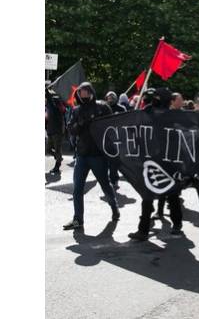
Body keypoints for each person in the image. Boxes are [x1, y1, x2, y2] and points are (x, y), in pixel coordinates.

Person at [128, 88, 185, 241]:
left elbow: (179, 137)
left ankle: (177, 224)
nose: (155, 100)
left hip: (168, 160)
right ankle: (143, 230)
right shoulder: (147, 113)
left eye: (158, 98)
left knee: (172, 194)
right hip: (151, 159)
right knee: (147, 195)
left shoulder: (172, 116)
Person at [63, 82, 120, 230]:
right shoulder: (76, 110)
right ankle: (78, 219)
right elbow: (71, 130)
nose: (83, 94)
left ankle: (114, 207)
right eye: (81, 91)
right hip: (82, 155)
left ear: (91, 92)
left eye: (86, 91)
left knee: (105, 185)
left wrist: (109, 148)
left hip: (98, 155)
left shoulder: (102, 107)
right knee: (77, 188)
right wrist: (80, 124)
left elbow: (112, 127)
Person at [104, 91, 126, 189]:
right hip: (106, 138)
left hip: (117, 138)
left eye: (112, 97)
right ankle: (109, 177)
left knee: (114, 161)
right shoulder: (104, 109)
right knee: (106, 161)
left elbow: (126, 121)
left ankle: (114, 178)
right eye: (109, 98)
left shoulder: (121, 109)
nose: (110, 99)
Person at [45, 87, 66, 175]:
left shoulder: (55, 108)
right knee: (48, 150)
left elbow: (49, 99)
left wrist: (45, 89)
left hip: (57, 132)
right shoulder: (52, 108)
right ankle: (58, 157)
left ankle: (57, 166)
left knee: (57, 149)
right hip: (51, 131)